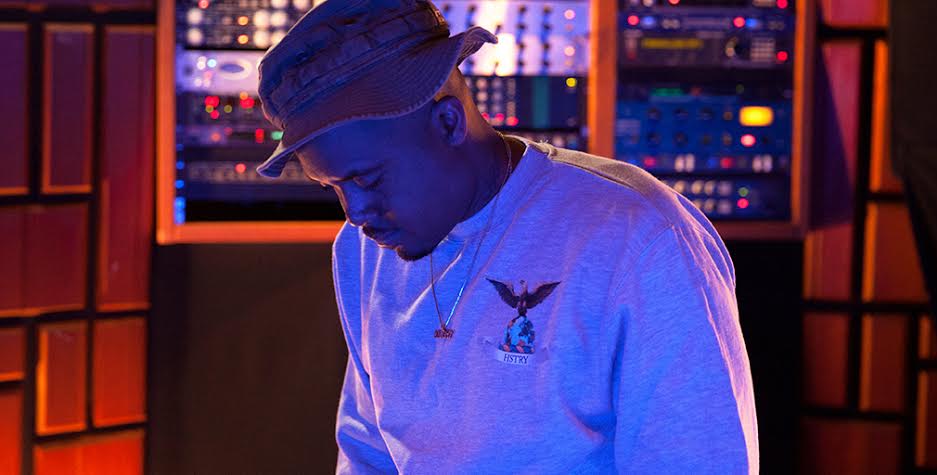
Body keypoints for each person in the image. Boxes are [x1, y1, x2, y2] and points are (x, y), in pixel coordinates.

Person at [255, 0, 759, 473]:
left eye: (368, 179)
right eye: (334, 187)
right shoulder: (361, 249)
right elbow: (368, 452)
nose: (356, 212)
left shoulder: (640, 238)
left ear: (448, 122)